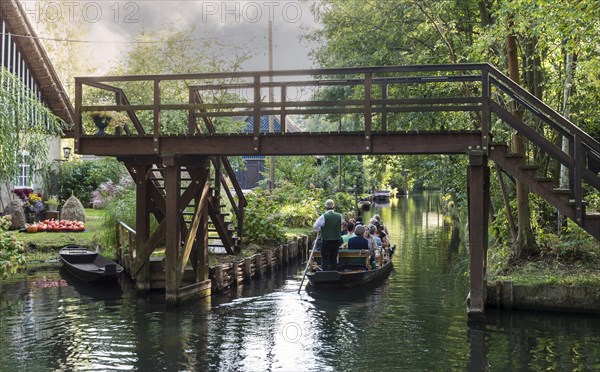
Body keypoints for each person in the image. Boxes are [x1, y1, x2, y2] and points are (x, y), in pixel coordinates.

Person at [313, 199, 343, 271]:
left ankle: (325, 273)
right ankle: (334, 273)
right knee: (333, 258)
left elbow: (315, 227)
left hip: (326, 240)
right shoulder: (339, 216)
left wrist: (320, 230)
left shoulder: (323, 216)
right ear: (334, 207)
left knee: (325, 259)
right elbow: (341, 224)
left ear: (325, 207)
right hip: (336, 240)